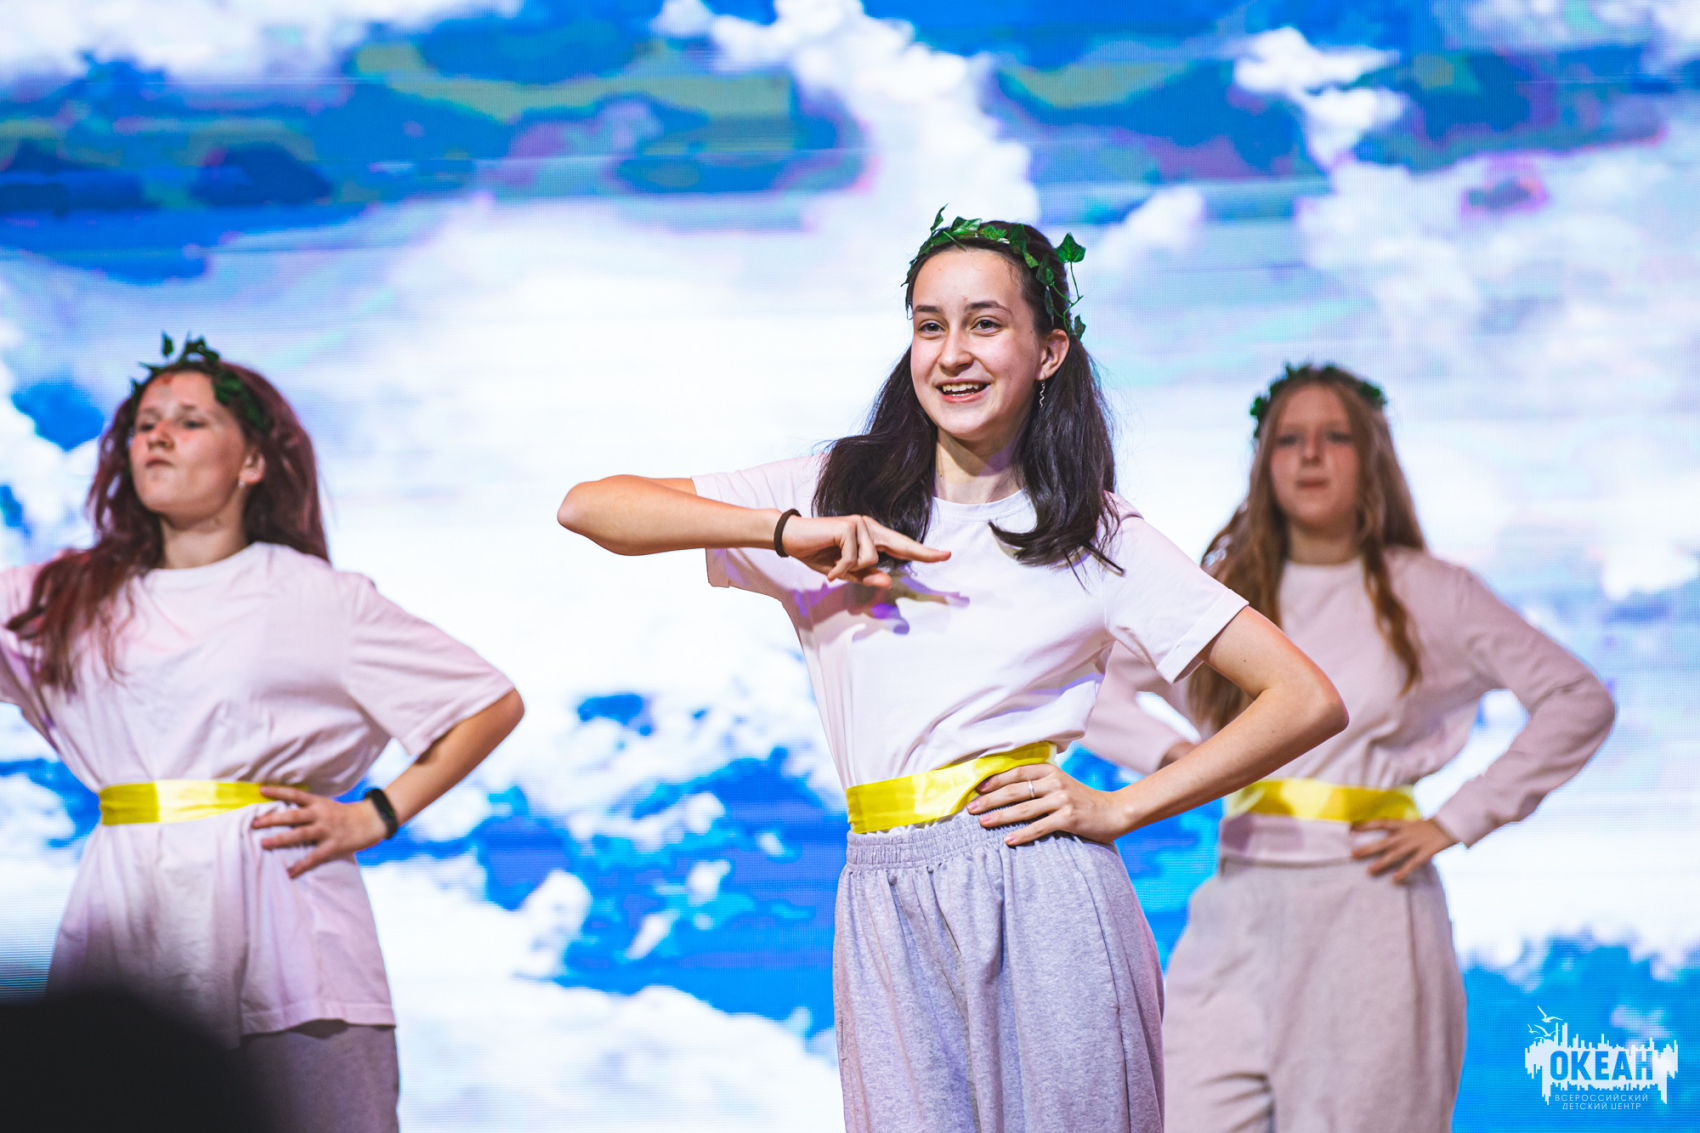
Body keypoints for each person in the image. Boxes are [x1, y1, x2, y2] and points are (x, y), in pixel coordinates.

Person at [557, 214, 1347, 1133]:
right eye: (929, 326)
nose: (952, 353)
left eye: (984, 323)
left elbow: (1305, 697)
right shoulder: (832, 491)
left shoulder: (1094, 532)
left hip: (1040, 885)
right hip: (881, 887)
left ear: (1048, 351)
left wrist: (1122, 807)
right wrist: (784, 533)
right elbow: (589, 507)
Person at [0, 336, 524, 1133]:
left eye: (190, 420)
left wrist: (377, 812)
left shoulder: (316, 598)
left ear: (251, 462)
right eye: (144, 424)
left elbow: (485, 700)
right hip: (126, 905)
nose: (158, 436)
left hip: (284, 919)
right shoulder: (65, 596)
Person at [1082, 363, 1618, 1132]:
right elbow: (1093, 683)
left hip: (1371, 906)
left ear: (1372, 457)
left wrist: (1459, 818)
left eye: (1334, 436)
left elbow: (1578, 698)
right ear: (1264, 461)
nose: (1310, 455)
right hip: (1238, 901)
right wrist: (1180, 760)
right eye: (1289, 439)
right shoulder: (1220, 593)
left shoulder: (1431, 592)